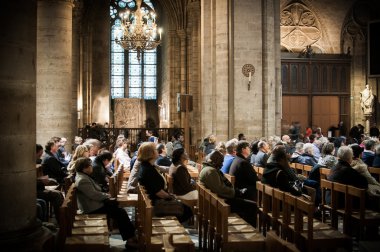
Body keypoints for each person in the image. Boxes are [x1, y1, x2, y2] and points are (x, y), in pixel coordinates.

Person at [74, 157, 138, 249]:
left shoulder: (83, 176)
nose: (92, 167)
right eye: (90, 166)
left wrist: (106, 195)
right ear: (85, 168)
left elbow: (95, 192)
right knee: (120, 212)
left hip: (95, 203)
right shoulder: (82, 180)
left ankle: (131, 237)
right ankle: (130, 239)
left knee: (118, 209)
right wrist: (107, 196)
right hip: (92, 208)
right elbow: (94, 195)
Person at [138, 142, 192, 223]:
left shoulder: (147, 166)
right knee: (187, 210)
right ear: (150, 153)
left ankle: (175, 227)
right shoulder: (148, 170)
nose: (157, 151)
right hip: (156, 204)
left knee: (185, 207)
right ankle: (174, 228)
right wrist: (171, 197)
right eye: (155, 150)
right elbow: (158, 192)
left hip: (155, 200)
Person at [199, 150, 257, 226]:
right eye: (221, 161)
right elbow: (221, 190)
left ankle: (245, 225)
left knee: (247, 195)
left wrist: (236, 191)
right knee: (252, 205)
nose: (222, 164)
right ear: (215, 160)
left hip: (217, 200)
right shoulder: (210, 171)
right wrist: (236, 192)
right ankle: (249, 228)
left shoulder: (208, 169)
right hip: (220, 202)